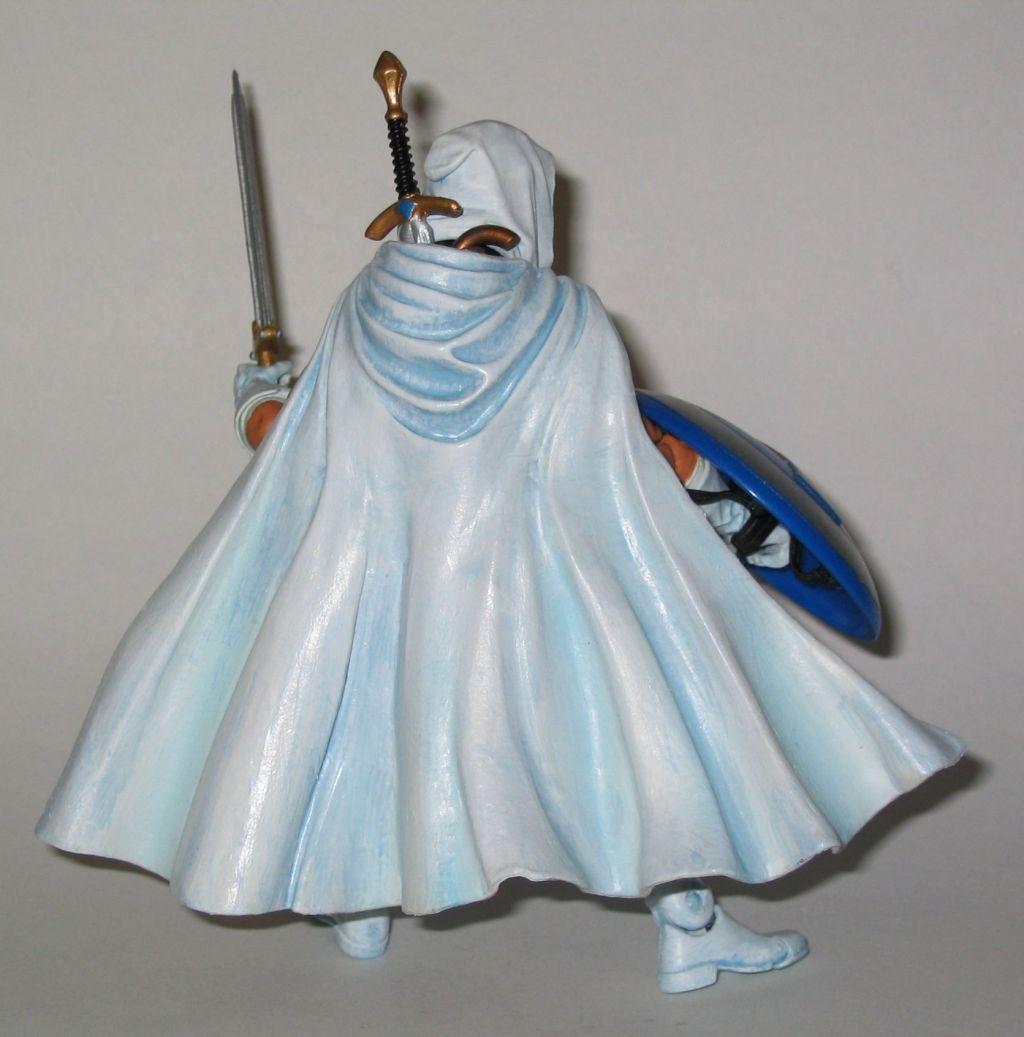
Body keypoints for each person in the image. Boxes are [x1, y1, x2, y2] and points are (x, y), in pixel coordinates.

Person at [37, 120, 963, 994]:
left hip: (384, 598)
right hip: (535, 595)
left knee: (363, 725)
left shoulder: (364, 308)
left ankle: (357, 907)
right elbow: (620, 468)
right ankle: (687, 928)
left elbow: (291, 443)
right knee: (637, 738)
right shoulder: (564, 316)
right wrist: (713, 501)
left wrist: (255, 394)